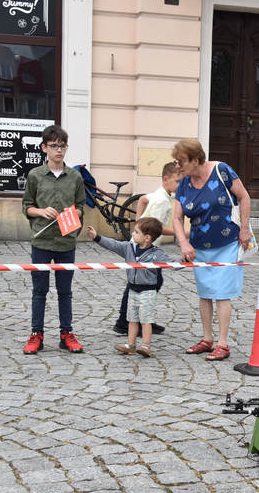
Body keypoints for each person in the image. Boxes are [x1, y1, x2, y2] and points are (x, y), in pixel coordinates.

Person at [171, 138, 252, 361]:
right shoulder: (184, 183)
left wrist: (244, 228)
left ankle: (223, 344)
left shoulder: (221, 171)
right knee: (205, 292)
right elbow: (177, 219)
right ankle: (207, 339)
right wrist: (183, 243)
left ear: (196, 160)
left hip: (227, 243)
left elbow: (244, 197)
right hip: (199, 246)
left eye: (181, 162)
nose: (178, 167)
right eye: (176, 162)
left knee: (222, 293)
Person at [22, 125, 86, 355]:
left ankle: (66, 333)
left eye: (62, 146)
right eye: (54, 146)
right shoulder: (35, 175)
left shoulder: (75, 177)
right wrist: (42, 212)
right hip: (41, 240)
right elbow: (27, 207)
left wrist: (74, 213)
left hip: (66, 241)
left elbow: (81, 207)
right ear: (44, 148)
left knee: (65, 291)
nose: (59, 150)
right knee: (39, 290)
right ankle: (36, 334)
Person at [87, 217, 173, 358]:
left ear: (147, 238)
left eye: (136, 232)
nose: (133, 234)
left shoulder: (156, 254)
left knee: (145, 320)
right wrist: (97, 237)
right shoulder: (129, 248)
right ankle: (131, 345)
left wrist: (185, 261)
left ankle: (146, 345)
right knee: (132, 319)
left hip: (147, 291)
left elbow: (172, 263)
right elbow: (113, 244)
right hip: (133, 290)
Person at [113, 161, 181, 336]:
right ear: (166, 179)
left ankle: (137, 320)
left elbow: (142, 199)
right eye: (178, 181)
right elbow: (156, 229)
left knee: (142, 282)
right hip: (146, 250)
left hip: (142, 246)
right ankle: (128, 321)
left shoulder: (160, 195)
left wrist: (139, 222)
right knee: (142, 284)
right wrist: (181, 233)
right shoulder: (162, 202)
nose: (180, 184)